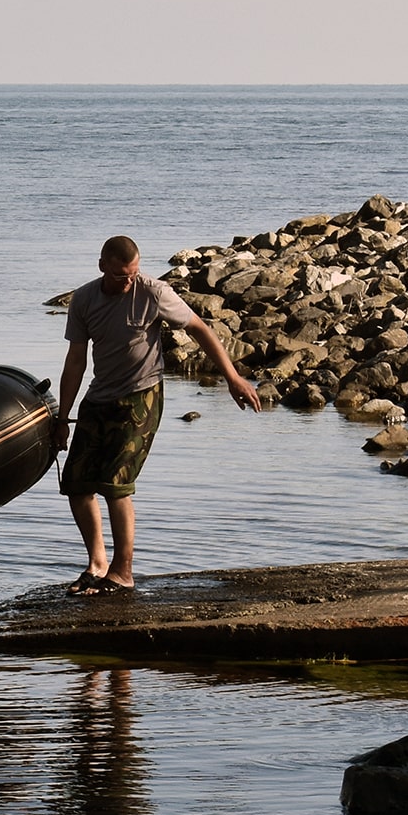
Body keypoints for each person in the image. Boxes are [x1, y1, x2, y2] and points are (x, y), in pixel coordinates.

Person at [54, 235, 260, 594]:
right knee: (77, 483)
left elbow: (199, 328)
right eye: (121, 275)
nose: (128, 281)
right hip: (100, 397)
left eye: (133, 273)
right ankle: (97, 563)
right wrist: (63, 416)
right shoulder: (84, 299)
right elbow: (75, 360)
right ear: (102, 265)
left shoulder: (153, 292)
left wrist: (233, 377)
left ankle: (123, 572)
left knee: (116, 485)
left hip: (141, 397)